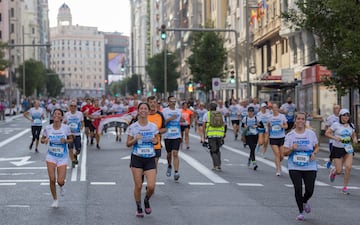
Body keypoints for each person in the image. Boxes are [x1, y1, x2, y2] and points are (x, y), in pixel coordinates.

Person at [283, 112, 319, 221]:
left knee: (310, 190)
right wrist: (291, 149)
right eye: (298, 118)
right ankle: (300, 211)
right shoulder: (290, 135)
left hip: (310, 165)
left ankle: (304, 201)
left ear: (305, 121)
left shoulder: (310, 134)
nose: (300, 121)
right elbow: (284, 152)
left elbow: (316, 147)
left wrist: (314, 153)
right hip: (294, 166)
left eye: (302, 119)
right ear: (295, 120)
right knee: (298, 188)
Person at [126, 102, 159, 217]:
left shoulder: (153, 127)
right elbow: (128, 144)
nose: (144, 110)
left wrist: (155, 141)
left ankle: (146, 200)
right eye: (141, 108)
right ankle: (139, 206)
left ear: (149, 111)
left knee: (151, 186)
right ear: (138, 111)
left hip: (150, 158)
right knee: (138, 185)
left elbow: (156, 140)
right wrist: (135, 139)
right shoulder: (133, 127)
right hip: (137, 158)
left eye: (146, 108)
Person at [40, 108, 73, 208]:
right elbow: (42, 139)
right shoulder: (48, 128)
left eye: (59, 114)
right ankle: (55, 199)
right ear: (53, 116)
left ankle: (61, 186)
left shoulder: (66, 128)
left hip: (62, 157)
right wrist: (44, 140)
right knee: (52, 179)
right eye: (55, 114)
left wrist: (66, 141)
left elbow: (71, 139)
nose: (56, 115)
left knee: (60, 181)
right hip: (51, 156)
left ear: (62, 117)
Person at [325, 108, 357, 195]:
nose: (346, 117)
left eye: (347, 115)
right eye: (344, 115)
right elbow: (327, 133)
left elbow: (354, 135)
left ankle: (345, 188)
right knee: (339, 171)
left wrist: (354, 139)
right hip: (337, 148)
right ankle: (334, 172)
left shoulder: (351, 126)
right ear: (340, 116)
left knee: (348, 167)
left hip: (348, 148)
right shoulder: (336, 125)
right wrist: (335, 138)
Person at [162, 96, 183, 181]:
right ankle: (169, 165)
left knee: (175, 153)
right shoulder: (164, 111)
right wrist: (170, 119)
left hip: (176, 135)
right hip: (167, 135)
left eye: (174, 101)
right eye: (171, 101)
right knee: (169, 154)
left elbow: (180, 121)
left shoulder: (179, 111)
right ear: (168, 102)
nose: (173, 102)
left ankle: (176, 172)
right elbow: (163, 123)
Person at [203, 102, 225, 171]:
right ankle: (219, 164)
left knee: (213, 150)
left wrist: (204, 135)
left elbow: (204, 125)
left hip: (211, 134)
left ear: (209, 108)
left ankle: (216, 165)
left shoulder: (207, 114)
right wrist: (223, 133)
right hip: (220, 134)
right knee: (218, 150)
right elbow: (224, 124)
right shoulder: (220, 114)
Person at [267, 103, 288, 176]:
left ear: (278, 109)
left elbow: (286, 126)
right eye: (273, 108)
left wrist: (283, 126)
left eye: (276, 108)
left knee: (282, 155)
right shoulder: (270, 117)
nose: (275, 109)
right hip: (273, 138)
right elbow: (268, 126)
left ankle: (277, 162)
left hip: (281, 137)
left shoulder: (282, 116)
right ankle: (278, 169)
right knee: (277, 154)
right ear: (272, 109)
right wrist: (268, 134)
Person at [147, 96, 167, 170]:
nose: (152, 104)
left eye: (154, 102)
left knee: (154, 168)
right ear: (147, 103)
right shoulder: (143, 114)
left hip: (156, 146)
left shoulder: (160, 115)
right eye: (151, 102)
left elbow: (164, 129)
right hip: (143, 146)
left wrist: (157, 131)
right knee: (143, 170)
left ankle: (152, 181)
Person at [63, 100, 84, 167]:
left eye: (74, 106)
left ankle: (75, 155)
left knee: (78, 150)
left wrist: (81, 127)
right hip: (70, 135)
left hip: (77, 134)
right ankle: (73, 161)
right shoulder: (67, 114)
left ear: (76, 107)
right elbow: (64, 123)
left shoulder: (80, 114)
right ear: (69, 107)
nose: (73, 107)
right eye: (71, 106)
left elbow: (82, 122)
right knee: (70, 148)